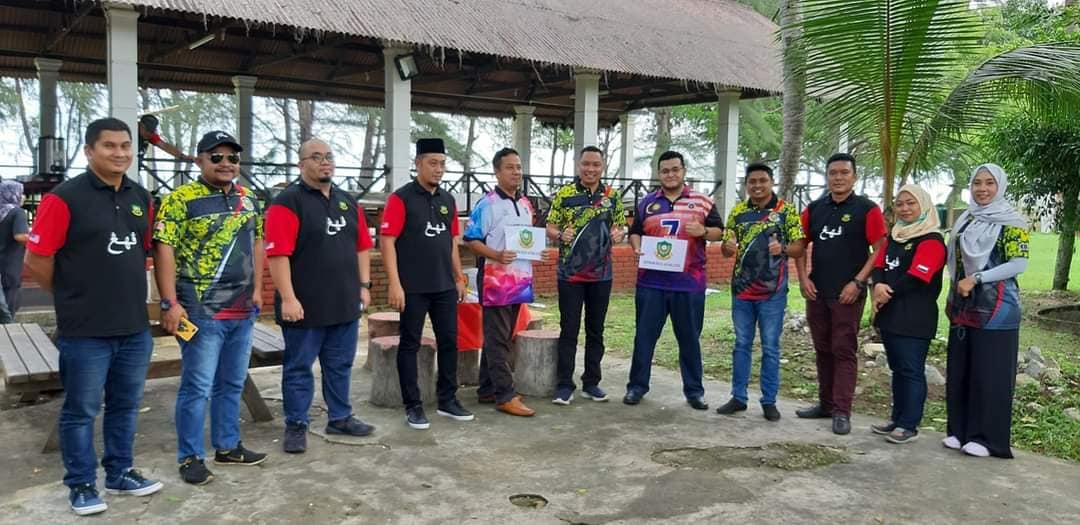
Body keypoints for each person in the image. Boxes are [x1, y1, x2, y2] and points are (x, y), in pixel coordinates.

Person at [25, 118, 163, 516]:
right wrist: (70, 295)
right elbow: (37, 259)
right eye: (109, 146)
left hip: (134, 328)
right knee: (81, 411)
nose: (120, 153)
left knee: (125, 405)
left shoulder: (141, 196)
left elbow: (144, 253)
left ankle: (119, 473)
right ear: (89, 151)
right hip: (85, 331)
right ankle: (82, 484)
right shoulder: (64, 199)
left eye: (125, 146)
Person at [154, 131, 268, 485]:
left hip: (242, 309)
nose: (226, 163)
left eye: (232, 158)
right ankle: (190, 457)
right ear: (200, 159)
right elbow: (164, 249)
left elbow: (259, 240)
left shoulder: (249, 198)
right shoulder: (179, 199)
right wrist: (170, 302)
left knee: (232, 382)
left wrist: (258, 288)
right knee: (198, 386)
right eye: (216, 157)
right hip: (201, 310)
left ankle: (228, 446)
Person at [266, 138, 377, 452]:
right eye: (316, 157)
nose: (324, 162)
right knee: (299, 368)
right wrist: (288, 298)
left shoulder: (348, 201)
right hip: (304, 305)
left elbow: (362, 247)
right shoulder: (287, 202)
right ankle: (296, 425)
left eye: (328, 156)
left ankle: (340, 417)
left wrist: (364, 286)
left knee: (340, 365)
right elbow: (277, 254)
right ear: (301, 164)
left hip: (344, 302)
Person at [379, 138, 472, 430]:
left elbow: (452, 242)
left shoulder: (448, 201)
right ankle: (414, 405)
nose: (438, 169)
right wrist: (395, 284)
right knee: (410, 344)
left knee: (449, 341)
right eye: (433, 163)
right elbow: (387, 241)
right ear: (418, 164)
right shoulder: (401, 199)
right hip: (413, 287)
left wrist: (458, 277)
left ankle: (448, 399)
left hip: (444, 285)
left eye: (442, 163)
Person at [794, 153, 887, 435]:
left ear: (854, 177)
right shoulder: (814, 209)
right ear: (827, 176)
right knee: (822, 348)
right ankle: (825, 404)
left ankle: (842, 411)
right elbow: (798, 245)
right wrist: (803, 279)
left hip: (848, 294)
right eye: (833, 173)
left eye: (844, 173)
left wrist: (858, 282)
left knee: (843, 350)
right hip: (817, 292)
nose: (838, 178)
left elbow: (880, 248)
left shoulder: (867, 209)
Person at [624, 151, 723, 409]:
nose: (670, 174)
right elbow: (635, 232)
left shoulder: (702, 201)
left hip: (689, 284)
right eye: (665, 170)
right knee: (644, 338)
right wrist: (636, 246)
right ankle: (636, 387)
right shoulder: (647, 202)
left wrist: (703, 231)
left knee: (689, 339)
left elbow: (719, 232)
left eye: (675, 169)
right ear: (659, 174)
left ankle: (694, 391)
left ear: (683, 171)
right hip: (651, 283)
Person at [944, 164, 1029, 458]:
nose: (982, 189)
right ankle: (959, 431)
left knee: (990, 374)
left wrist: (977, 278)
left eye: (989, 183)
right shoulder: (966, 219)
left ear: (1000, 186)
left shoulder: (1012, 222)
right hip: (963, 304)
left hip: (997, 308)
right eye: (977, 183)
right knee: (961, 369)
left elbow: (1018, 264)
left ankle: (989, 439)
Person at [714, 163, 805, 421]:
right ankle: (738, 397)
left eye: (762, 180)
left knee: (770, 347)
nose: (757, 186)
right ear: (746, 185)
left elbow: (800, 247)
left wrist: (783, 249)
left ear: (771, 182)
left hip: (772, 293)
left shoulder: (786, 211)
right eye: (752, 181)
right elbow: (726, 249)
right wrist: (728, 247)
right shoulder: (738, 212)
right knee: (741, 344)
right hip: (742, 291)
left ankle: (769, 401)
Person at [545, 146, 627, 405]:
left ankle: (591, 383)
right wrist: (560, 235)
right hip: (569, 275)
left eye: (596, 165)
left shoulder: (612, 195)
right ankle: (564, 385)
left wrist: (620, 233)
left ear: (602, 167)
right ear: (578, 165)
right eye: (586, 164)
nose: (590, 169)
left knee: (596, 331)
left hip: (601, 275)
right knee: (569, 329)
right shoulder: (565, 194)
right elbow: (550, 226)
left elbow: (620, 226)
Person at [464, 148, 541, 417]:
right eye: (510, 167)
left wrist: (537, 252)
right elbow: (471, 239)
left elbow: (528, 239)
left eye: (518, 167)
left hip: (520, 279)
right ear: (497, 172)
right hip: (495, 279)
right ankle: (505, 395)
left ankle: (487, 388)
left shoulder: (526, 204)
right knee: (498, 338)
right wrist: (496, 255)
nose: (516, 172)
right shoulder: (487, 204)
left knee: (503, 335)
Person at [869, 184, 946, 444]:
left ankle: (909, 425)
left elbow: (918, 276)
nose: (905, 208)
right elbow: (879, 263)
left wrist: (885, 291)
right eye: (900, 204)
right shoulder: (895, 236)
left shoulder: (931, 240)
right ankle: (897, 418)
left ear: (923, 205)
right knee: (898, 369)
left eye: (911, 203)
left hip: (915, 317)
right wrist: (878, 284)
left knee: (911, 370)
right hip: (891, 314)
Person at [0, 180, 28, 323]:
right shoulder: (17, 212)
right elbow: (20, 236)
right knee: (10, 295)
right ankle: (7, 327)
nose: (23, 196)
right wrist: (37, 238)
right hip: (10, 263)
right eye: (21, 193)